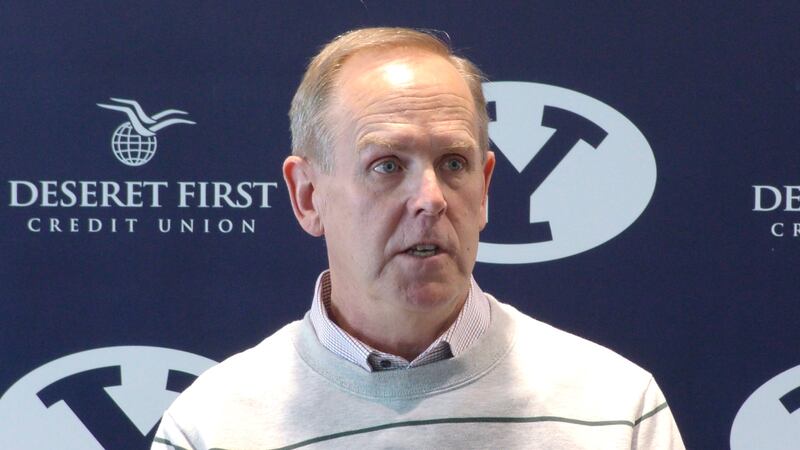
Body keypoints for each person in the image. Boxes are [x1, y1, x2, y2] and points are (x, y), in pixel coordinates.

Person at [152, 27, 685, 449]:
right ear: (308, 196)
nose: (431, 197)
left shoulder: (616, 409)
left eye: (454, 163)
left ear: (484, 189)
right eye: (386, 165)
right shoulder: (211, 426)